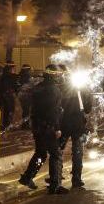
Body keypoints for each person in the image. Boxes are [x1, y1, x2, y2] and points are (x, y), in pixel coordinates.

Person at [19, 64, 68, 194]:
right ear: (55, 75)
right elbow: (53, 111)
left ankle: (27, 177)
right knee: (56, 155)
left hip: (37, 126)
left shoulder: (38, 88)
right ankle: (55, 184)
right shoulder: (54, 90)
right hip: (48, 127)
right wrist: (56, 128)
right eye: (59, 75)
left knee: (41, 153)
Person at [59, 67, 93, 189]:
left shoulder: (59, 87)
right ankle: (76, 179)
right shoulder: (81, 88)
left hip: (62, 124)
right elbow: (88, 108)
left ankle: (56, 178)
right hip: (77, 124)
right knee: (77, 152)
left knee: (58, 151)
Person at [0, 63, 20, 130]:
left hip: (4, 95)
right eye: (13, 69)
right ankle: (8, 125)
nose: (14, 70)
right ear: (10, 69)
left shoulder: (3, 76)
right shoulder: (11, 77)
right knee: (10, 110)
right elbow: (15, 85)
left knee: (6, 111)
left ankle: (6, 124)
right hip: (8, 95)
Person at [19, 65, 34, 129]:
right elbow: (31, 86)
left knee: (25, 111)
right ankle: (25, 125)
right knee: (27, 111)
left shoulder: (20, 77)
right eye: (31, 70)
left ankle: (25, 124)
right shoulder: (28, 77)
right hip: (26, 96)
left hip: (22, 96)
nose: (32, 71)